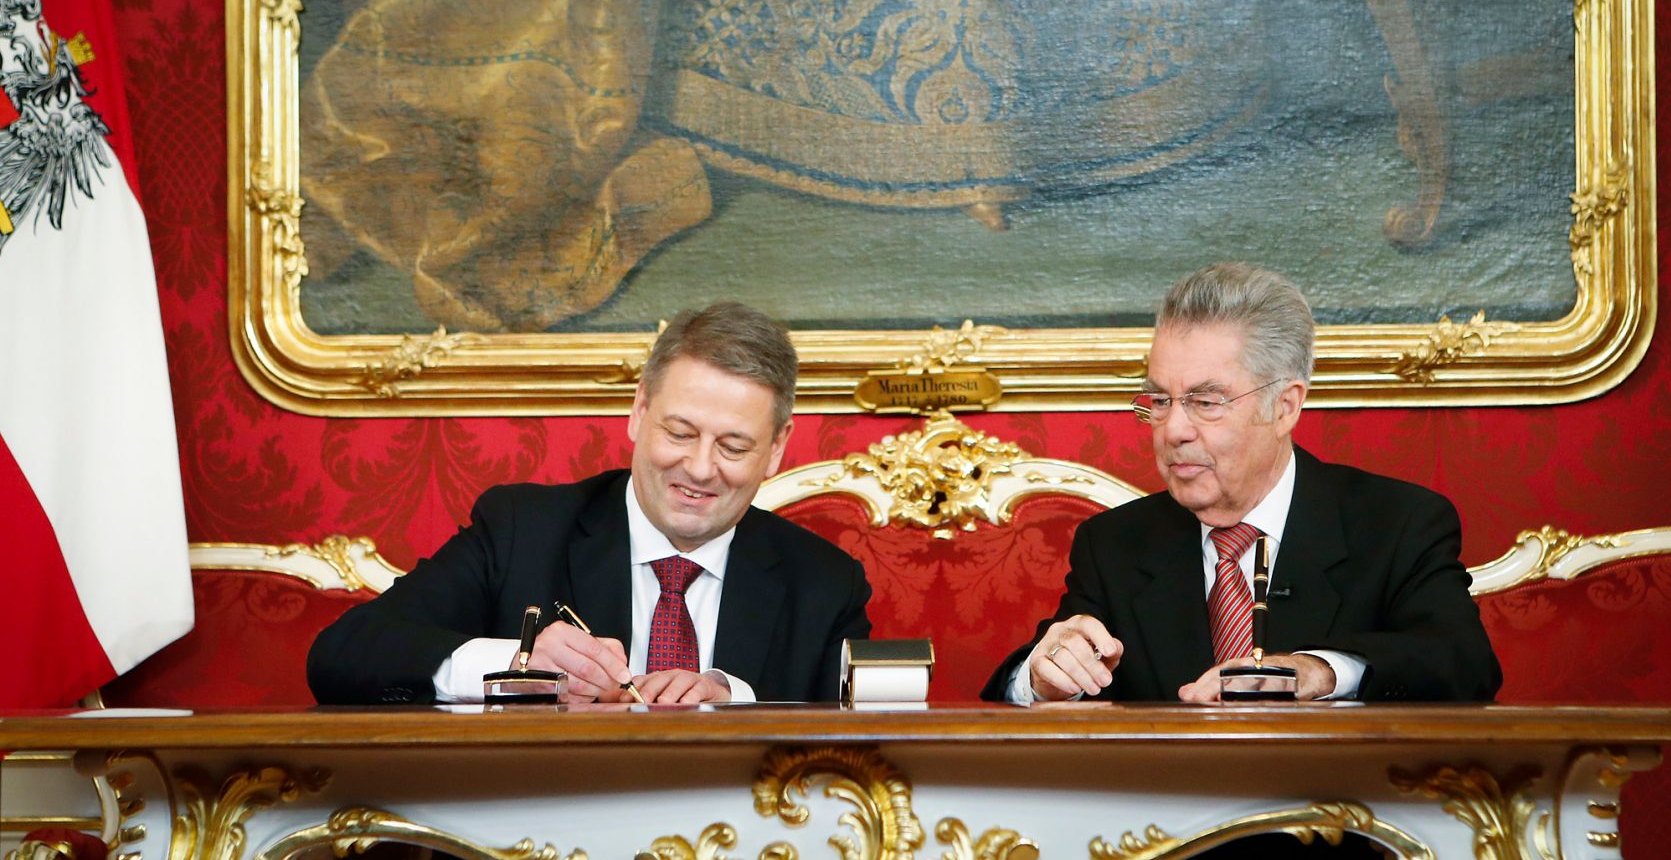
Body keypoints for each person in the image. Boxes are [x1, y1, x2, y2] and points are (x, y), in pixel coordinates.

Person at [981, 263, 1500, 704]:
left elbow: (1463, 662)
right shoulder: (1115, 544)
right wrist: (1043, 679)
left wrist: (1320, 672)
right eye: (1159, 401)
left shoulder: (1397, 524)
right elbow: (1033, 675)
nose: (1174, 431)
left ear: (1285, 406)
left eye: (1206, 402)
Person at [308, 302, 872, 705]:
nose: (701, 468)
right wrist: (518, 665)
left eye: (734, 447)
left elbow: (863, 747)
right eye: (679, 433)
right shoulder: (521, 532)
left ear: (776, 449)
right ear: (638, 413)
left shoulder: (825, 583)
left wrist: (735, 698)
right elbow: (344, 655)